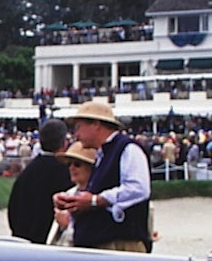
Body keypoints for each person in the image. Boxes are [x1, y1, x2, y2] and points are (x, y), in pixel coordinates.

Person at [55, 99, 151, 251]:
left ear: (96, 124)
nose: (76, 134)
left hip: (119, 244)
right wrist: (75, 203)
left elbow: (138, 188)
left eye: (78, 127)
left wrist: (95, 200)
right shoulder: (104, 155)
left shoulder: (127, 149)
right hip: (105, 244)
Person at [6, 118, 71, 244]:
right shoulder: (66, 173)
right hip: (52, 244)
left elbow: (13, 208)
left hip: (24, 241)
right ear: (64, 143)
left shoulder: (27, 172)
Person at [46, 142, 96, 246]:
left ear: (91, 167)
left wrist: (68, 225)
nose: (71, 168)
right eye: (69, 164)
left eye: (77, 164)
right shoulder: (68, 194)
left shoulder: (97, 199)